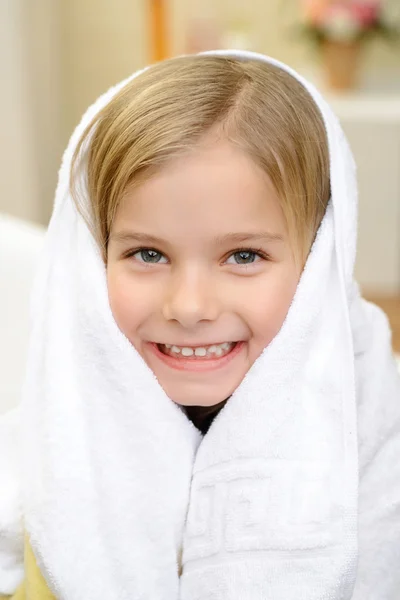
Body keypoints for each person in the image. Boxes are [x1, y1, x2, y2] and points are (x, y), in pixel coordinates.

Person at [1, 50, 399, 600]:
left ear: (318, 261)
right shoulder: (45, 449)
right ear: (91, 257)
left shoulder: (378, 430)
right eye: (147, 254)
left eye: (242, 256)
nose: (189, 307)